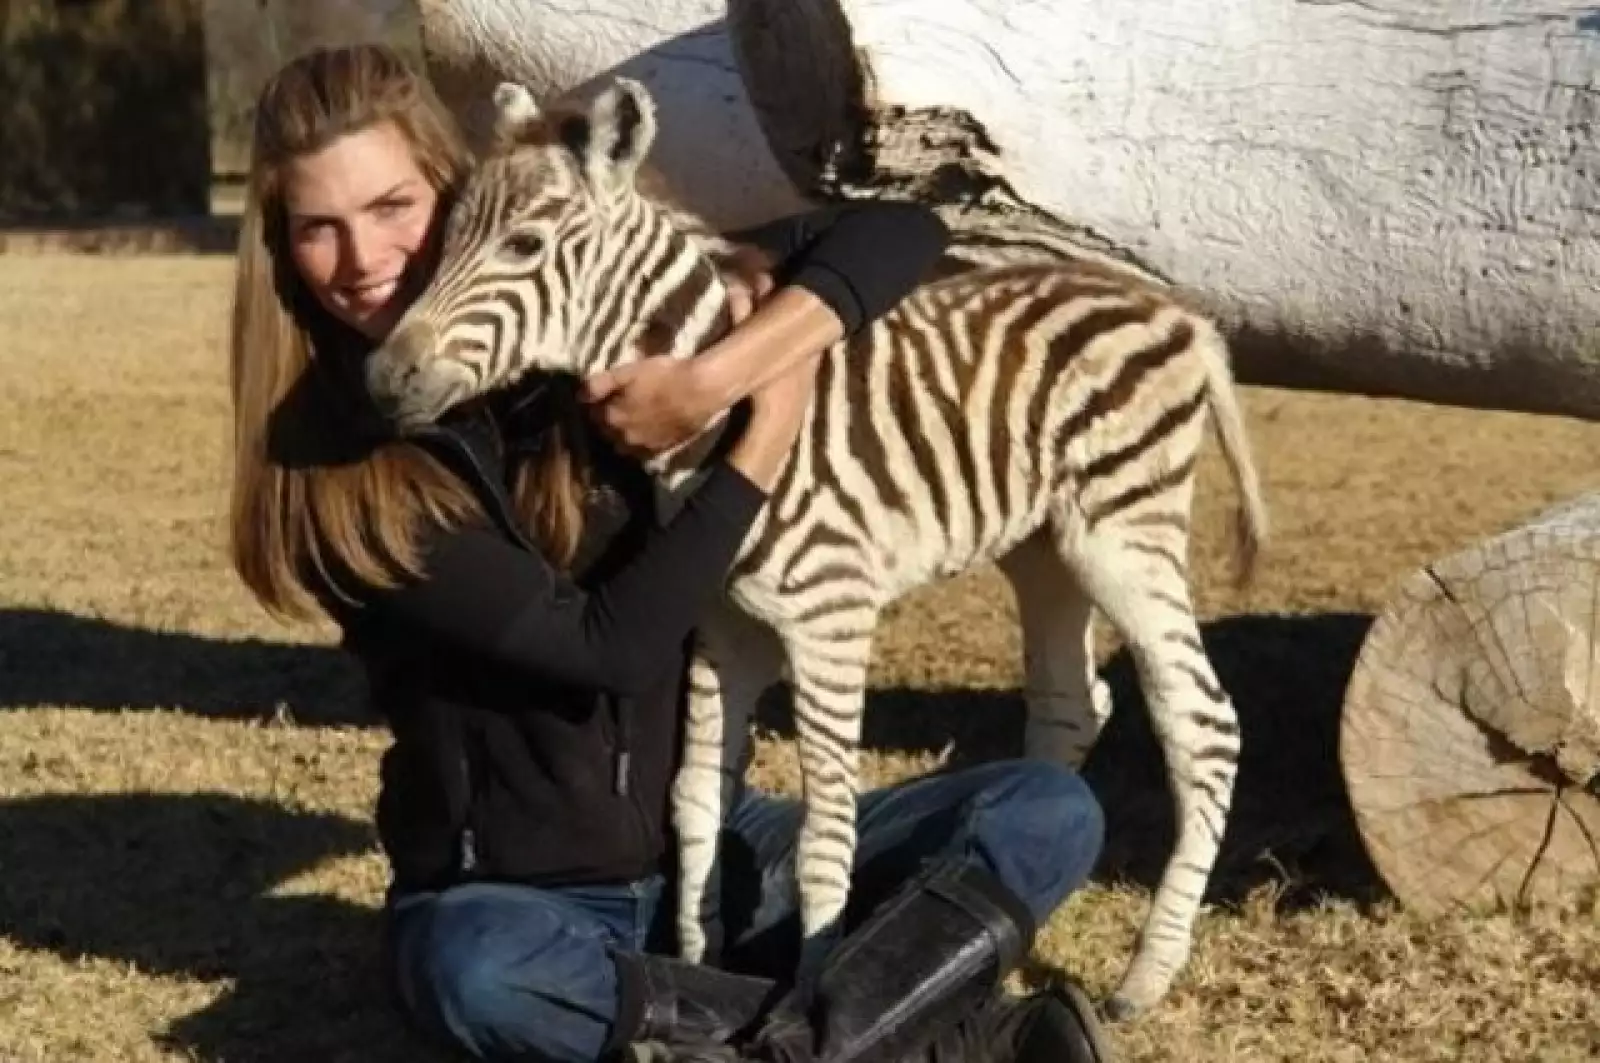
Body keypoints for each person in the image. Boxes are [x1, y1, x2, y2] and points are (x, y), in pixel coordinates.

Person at [227, 42, 1112, 1063]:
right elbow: (609, 647)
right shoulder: (334, 478)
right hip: (528, 906)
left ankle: (766, 1034)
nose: (364, 256)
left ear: (452, 189)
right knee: (469, 970)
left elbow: (899, 232)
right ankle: (902, 1029)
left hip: (715, 846)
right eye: (317, 230)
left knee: (1042, 809)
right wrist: (764, 437)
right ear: (283, 251)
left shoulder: (568, 300)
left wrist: (720, 375)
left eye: (392, 206)